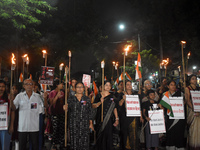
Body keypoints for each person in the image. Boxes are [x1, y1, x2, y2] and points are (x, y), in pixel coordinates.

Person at [10, 79, 43, 150]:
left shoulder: (38, 97)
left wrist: (45, 99)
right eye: (27, 84)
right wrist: (11, 101)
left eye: (31, 84)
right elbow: (14, 107)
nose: (29, 86)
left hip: (34, 126)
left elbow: (43, 108)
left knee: (35, 146)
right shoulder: (19, 96)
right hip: (22, 126)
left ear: (33, 86)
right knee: (22, 146)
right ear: (24, 86)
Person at [64, 82, 94, 150]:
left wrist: (91, 123)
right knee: (74, 141)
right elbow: (68, 109)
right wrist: (65, 108)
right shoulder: (71, 98)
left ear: (83, 88)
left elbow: (90, 112)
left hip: (84, 123)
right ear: (75, 89)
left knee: (84, 141)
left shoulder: (87, 99)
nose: (80, 89)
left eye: (81, 87)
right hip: (74, 123)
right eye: (78, 87)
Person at [93, 80, 119, 150]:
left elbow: (114, 108)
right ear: (103, 86)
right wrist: (99, 102)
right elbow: (93, 106)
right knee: (100, 136)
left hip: (109, 120)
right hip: (99, 118)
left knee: (108, 135)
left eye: (109, 85)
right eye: (106, 85)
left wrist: (117, 118)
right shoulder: (99, 95)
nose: (108, 87)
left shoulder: (112, 97)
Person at [160, 80, 185, 150]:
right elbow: (161, 104)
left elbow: (184, 102)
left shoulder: (180, 93)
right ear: (168, 86)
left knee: (179, 131)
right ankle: (170, 146)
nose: (173, 86)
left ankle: (179, 146)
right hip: (169, 116)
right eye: (171, 85)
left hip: (179, 116)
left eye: (174, 85)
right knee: (170, 131)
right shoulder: (165, 94)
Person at [118, 80, 140, 150]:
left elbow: (139, 105)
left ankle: (133, 147)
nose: (129, 86)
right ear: (124, 86)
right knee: (125, 133)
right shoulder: (121, 94)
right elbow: (119, 105)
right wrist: (123, 99)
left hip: (133, 116)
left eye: (130, 84)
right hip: (124, 117)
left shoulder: (135, 95)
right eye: (127, 84)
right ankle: (125, 147)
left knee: (133, 133)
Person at [49, 79, 65, 149]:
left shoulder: (63, 92)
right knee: (55, 129)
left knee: (61, 129)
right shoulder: (52, 93)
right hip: (55, 113)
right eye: (61, 84)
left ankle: (61, 143)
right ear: (56, 85)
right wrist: (56, 96)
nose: (62, 85)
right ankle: (54, 144)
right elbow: (51, 103)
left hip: (62, 112)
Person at [185, 74, 200, 149]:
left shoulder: (198, 88)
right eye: (193, 79)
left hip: (199, 110)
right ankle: (192, 145)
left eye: (195, 78)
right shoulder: (187, 88)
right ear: (190, 80)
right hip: (192, 110)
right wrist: (195, 109)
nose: (194, 80)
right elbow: (187, 100)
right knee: (193, 129)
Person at [0, 80, 15, 150]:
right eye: (0, 86)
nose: (1, 88)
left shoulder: (8, 97)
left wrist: (11, 125)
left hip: (5, 126)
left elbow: (13, 110)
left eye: (3, 87)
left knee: (5, 146)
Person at [9, 84, 20, 150]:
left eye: (15, 89)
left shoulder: (19, 97)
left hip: (17, 116)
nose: (14, 90)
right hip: (8, 117)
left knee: (16, 133)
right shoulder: (7, 96)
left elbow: (14, 108)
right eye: (13, 89)